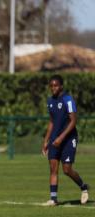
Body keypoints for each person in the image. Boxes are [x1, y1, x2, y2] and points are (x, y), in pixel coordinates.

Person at [42, 74, 89, 206]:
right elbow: (51, 122)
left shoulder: (67, 99)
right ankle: (53, 199)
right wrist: (46, 140)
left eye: (56, 85)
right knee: (53, 168)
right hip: (54, 140)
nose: (53, 88)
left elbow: (73, 121)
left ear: (61, 86)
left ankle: (83, 187)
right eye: (51, 86)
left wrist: (61, 138)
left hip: (68, 139)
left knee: (67, 169)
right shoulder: (50, 101)